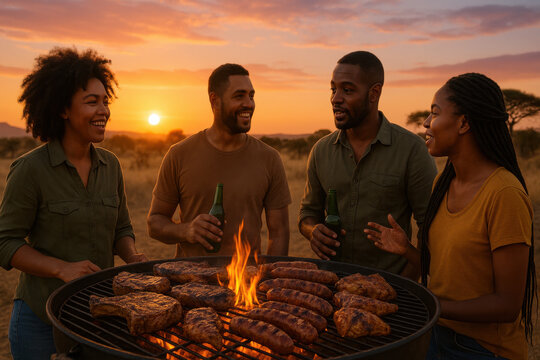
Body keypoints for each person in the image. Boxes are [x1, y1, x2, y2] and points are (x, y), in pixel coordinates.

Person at [364, 73, 535, 359]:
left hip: (484, 350)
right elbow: (446, 273)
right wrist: (408, 251)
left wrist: (432, 305)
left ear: (464, 123)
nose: (426, 123)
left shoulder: (504, 194)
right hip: (436, 336)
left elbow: (508, 305)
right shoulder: (443, 183)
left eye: (434, 113)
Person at [0, 47, 147, 360]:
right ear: (62, 109)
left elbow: (121, 226)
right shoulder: (30, 170)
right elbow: (5, 242)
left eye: (106, 101)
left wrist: (131, 254)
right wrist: (61, 268)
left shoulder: (112, 166)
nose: (104, 110)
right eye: (92, 101)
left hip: (100, 314)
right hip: (39, 319)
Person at [299, 51, 437, 276]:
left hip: (393, 288)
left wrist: (405, 286)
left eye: (348, 90)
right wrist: (312, 230)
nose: (336, 98)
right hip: (334, 285)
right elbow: (308, 212)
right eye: (333, 89)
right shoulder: (321, 151)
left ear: (374, 93)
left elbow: (430, 228)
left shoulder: (412, 150)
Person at [147, 63, 291, 257]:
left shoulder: (269, 158)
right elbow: (155, 222)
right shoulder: (179, 154)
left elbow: (279, 233)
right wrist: (186, 230)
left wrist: (268, 281)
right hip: (191, 284)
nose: (249, 103)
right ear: (215, 100)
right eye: (239, 96)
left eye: (251, 95)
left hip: (244, 284)